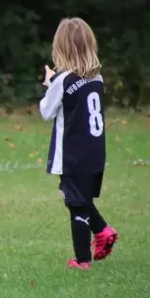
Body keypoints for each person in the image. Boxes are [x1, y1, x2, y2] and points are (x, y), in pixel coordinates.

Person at [39, 17, 119, 270]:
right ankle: (103, 230)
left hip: (73, 153)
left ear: (59, 49)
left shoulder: (63, 80)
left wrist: (50, 83)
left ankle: (82, 260)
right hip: (95, 152)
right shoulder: (98, 78)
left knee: (75, 204)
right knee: (80, 197)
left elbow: (46, 112)